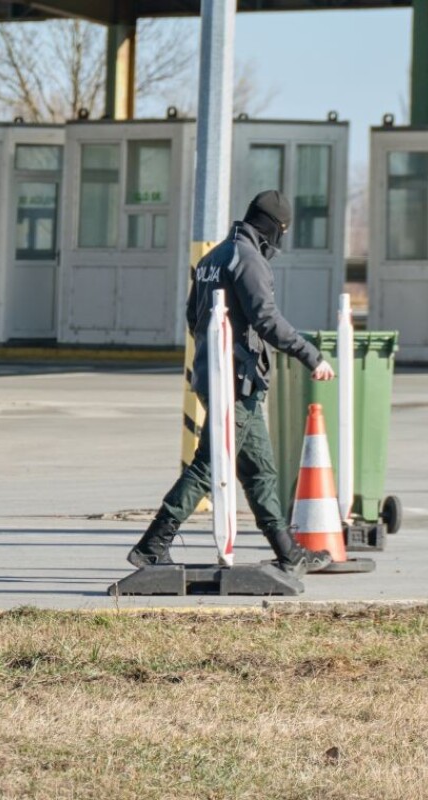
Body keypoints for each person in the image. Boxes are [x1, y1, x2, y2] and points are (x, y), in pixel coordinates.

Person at [128, 190, 334, 575]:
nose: (280, 240)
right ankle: (153, 544)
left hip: (221, 377)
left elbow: (193, 317)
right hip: (235, 381)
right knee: (210, 465)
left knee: (260, 470)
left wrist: (214, 359)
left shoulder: (213, 257)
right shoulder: (248, 260)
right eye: (281, 230)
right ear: (273, 226)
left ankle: (288, 553)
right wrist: (312, 355)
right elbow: (267, 319)